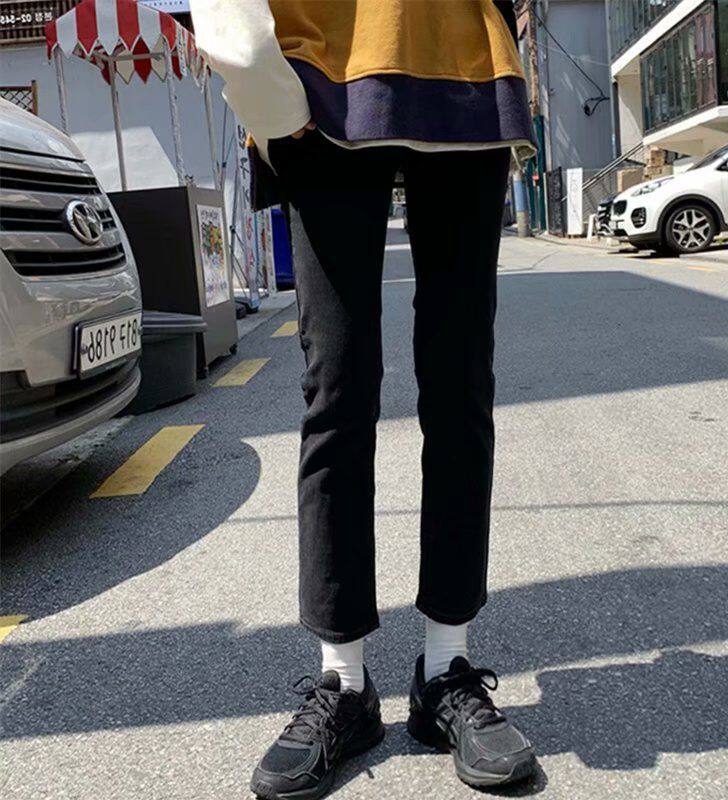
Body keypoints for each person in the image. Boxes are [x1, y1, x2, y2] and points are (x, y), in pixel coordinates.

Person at [190, 2, 538, 797]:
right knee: (338, 388)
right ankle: (344, 684)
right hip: (319, 76)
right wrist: (260, 81)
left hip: (464, 66)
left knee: (460, 385)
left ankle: (444, 672)